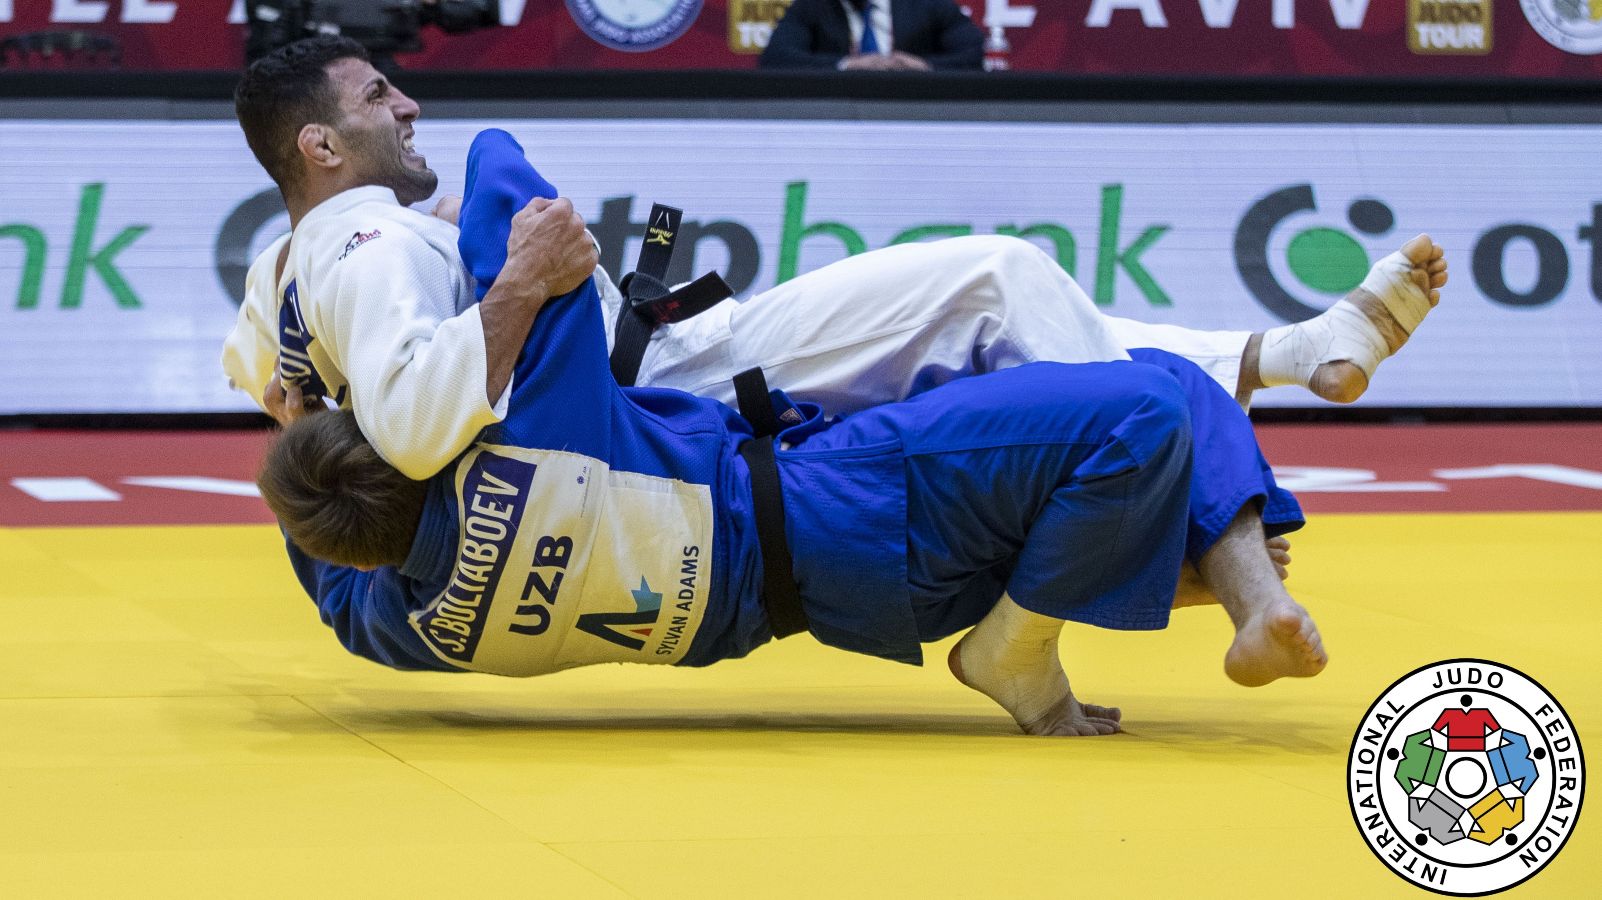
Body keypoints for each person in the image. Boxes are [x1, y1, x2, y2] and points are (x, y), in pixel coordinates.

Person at [258, 129, 1323, 736]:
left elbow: (331, 563)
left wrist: (309, 430)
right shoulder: (529, 433)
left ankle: (1221, 582)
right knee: (1145, 402)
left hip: (840, 606)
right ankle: (1042, 640)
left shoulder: (401, 626)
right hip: (844, 499)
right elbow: (501, 171)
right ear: (416, 455)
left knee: (1133, 418)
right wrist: (470, 258)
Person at [221, 37, 1449, 483]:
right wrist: (520, 280)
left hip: (655, 359)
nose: (411, 106)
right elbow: (421, 425)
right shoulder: (374, 243)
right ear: (323, 144)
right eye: (381, 98)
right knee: (994, 278)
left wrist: (289, 399)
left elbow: (267, 374)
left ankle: (1283, 354)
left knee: (989, 309)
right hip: (666, 391)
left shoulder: (287, 264)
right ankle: (1183, 469)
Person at [758, 0, 983, 71]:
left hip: (917, 115)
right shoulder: (813, 6)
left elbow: (973, 54)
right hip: (838, 119)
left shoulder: (926, 4)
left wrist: (923, 67)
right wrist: (847, 65)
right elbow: (776, 58)